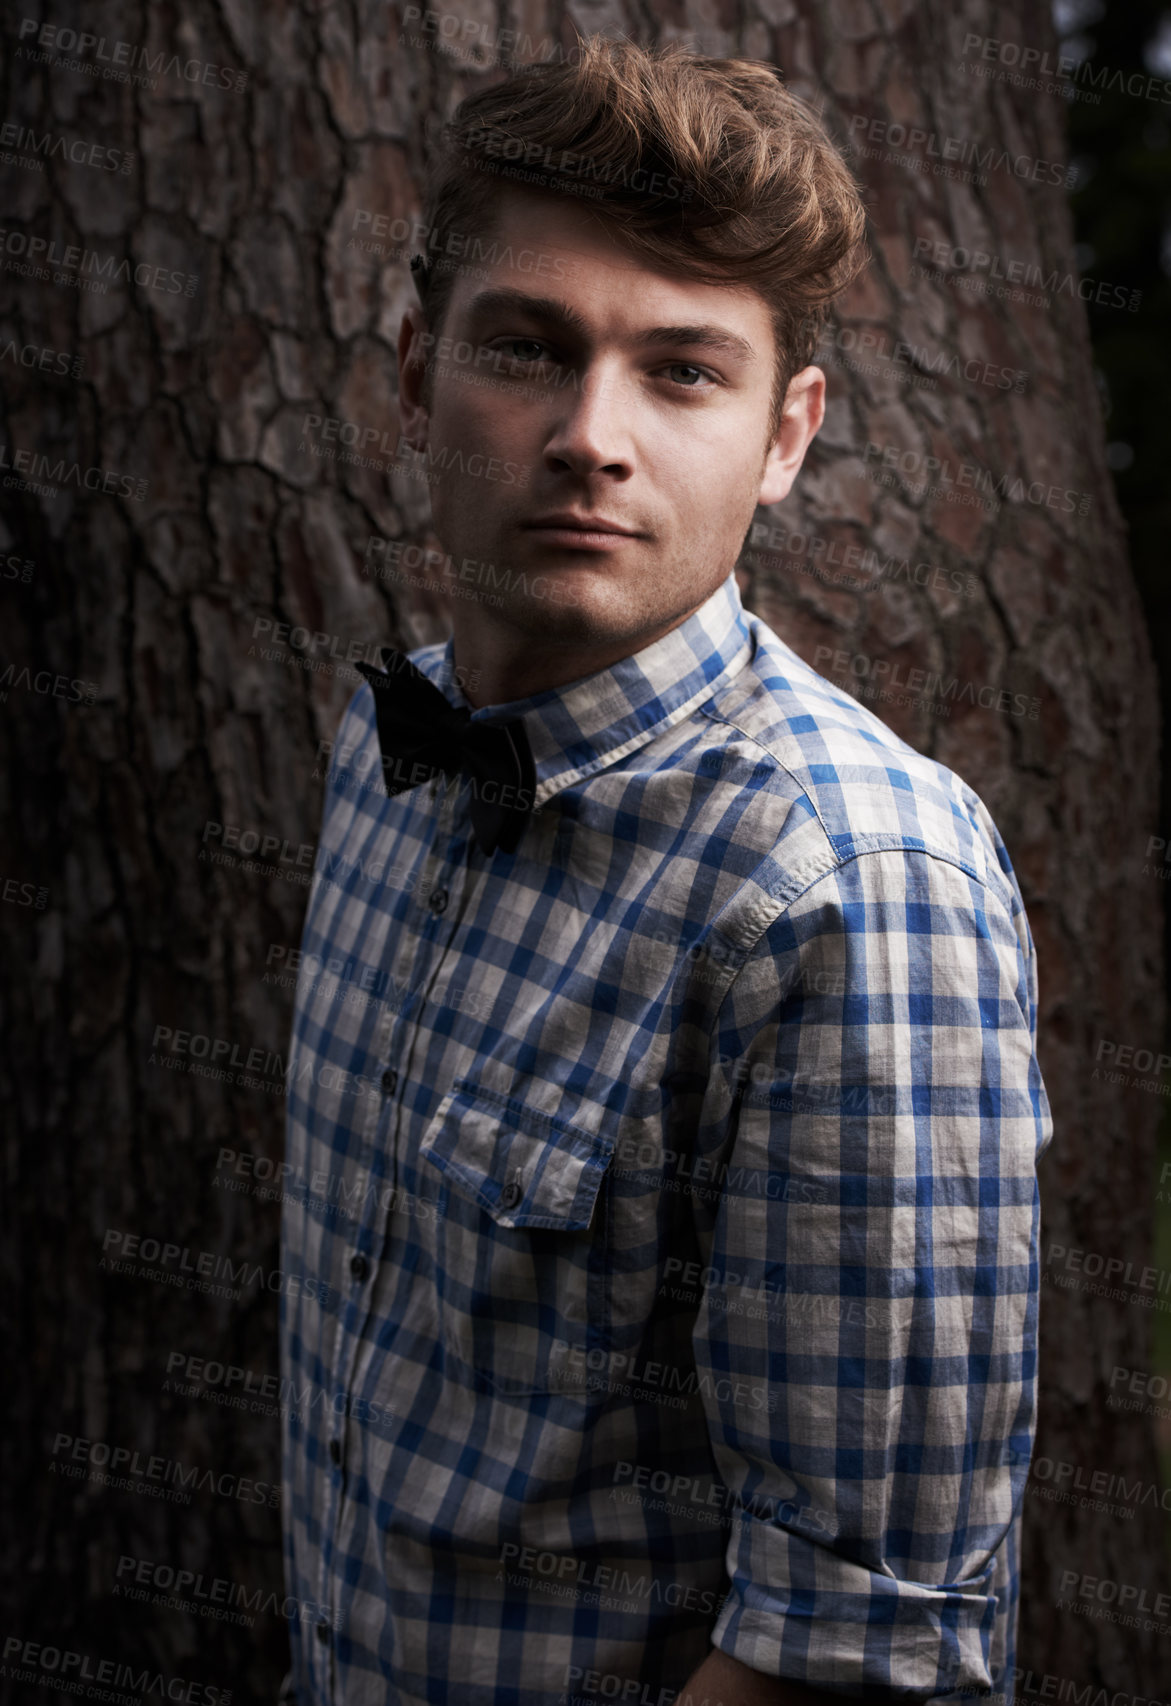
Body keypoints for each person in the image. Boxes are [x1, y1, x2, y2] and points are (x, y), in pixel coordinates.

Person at [278, 33, 1052, 1706]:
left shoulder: (855, 892)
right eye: (526, 347)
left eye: (684, 371)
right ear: (415, 374)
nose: (589, 437)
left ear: (786, 436)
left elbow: (854, 1646)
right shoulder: (384, 755)